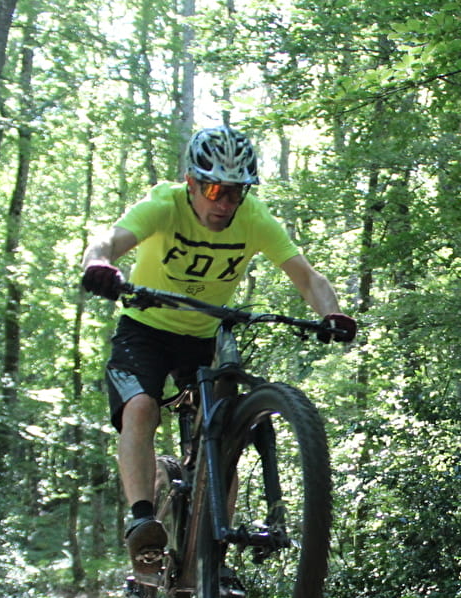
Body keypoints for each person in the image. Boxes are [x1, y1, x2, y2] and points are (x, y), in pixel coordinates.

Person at [79, 124, 356, 569]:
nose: (225, 203)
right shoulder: (164, 205)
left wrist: (333, 314)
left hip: (205, 335)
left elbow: (307, 277)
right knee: (142, 408)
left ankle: (215, 560)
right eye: (214, 189)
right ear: (191, 182)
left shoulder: (252, 218)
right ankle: (142, 521)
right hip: (144, 327)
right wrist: (99, 263)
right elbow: (109, 240)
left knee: (225, 434)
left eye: (237, 192)